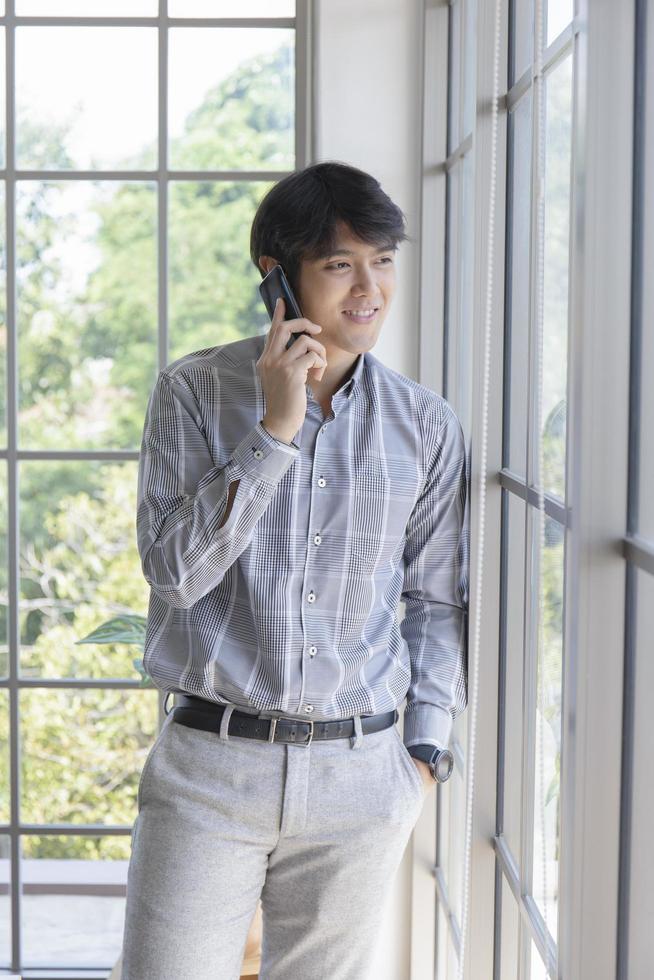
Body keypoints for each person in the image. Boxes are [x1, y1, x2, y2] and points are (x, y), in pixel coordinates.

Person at [120, 160, 470, 980]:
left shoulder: (424, 424)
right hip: (212, 768)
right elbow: (174, 573)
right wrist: (274, 433)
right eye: (339, 264)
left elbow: (436, 600)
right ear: (275, 277)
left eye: (382, 260)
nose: (369, 288)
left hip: (363, 775)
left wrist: (423, 752)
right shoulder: (193, 393)